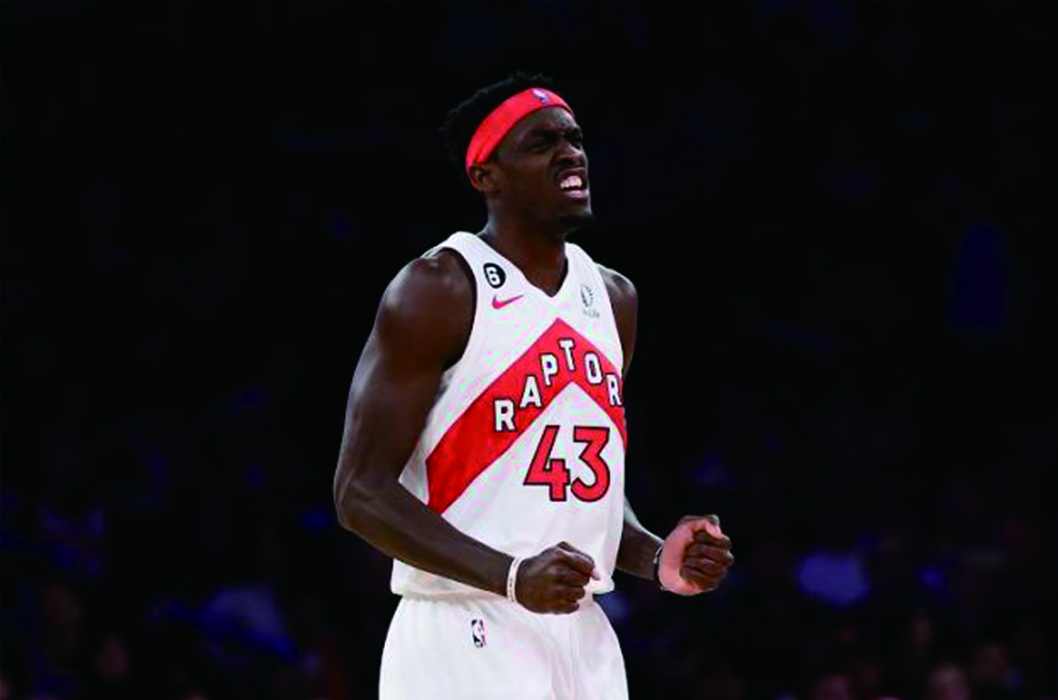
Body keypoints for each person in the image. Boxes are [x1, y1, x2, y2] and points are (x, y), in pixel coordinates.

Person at [333, 72, 734, 700]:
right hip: (463, 625)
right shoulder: (439, 288)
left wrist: (656, 557)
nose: (570, 154)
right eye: (542, 143)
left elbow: (576, 493)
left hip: (582, 629)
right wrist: (511, 575)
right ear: (486, 176)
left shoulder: (614, 298)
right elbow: (359, 491)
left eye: (575, 139)